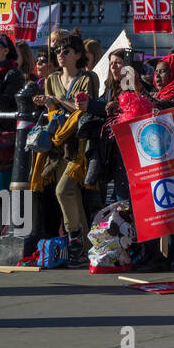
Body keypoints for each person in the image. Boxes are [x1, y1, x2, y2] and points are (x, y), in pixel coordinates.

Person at [30, 34, 100, 264]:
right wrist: (47, 102)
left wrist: (57, 100)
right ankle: (89, 248)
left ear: (78, 54)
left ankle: (74, 240)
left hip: (79, 143)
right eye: (58, 51)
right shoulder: (51, 79)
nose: (60, 54)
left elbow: (83, 108)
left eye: (66, 50)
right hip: (58, 143)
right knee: (72, 196)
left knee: (63, 190)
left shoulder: (87, 77)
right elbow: (52, 111)